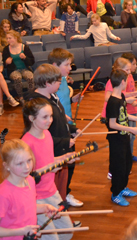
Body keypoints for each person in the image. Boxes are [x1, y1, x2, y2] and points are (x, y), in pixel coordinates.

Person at [25, 64, 82, 205]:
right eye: (58, 81)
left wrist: (72, 128)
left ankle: (62, 204)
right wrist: (64, 141)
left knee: (63, 182)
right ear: (47, 83)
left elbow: (59, 119)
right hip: (53, 151)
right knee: (53, 187)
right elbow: (43, 134)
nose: (60, 83)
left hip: (62, 146)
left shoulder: (52, 96)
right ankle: (57, 211)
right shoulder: (36, 104)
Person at [21, 98, 75, 240]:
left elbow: (50, 161)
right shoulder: (26, 143)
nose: (50, 120)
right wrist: (50, 167)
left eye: (51, 116)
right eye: (45, 117)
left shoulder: (47, 135)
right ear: (31, 118)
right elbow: (27, 176)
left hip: (52, 192)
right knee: (51, 238)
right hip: (36, 198)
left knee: (67, 231)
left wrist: (64, 157)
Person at [0, 139, 58, 239]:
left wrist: (44, 207)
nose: (27, 167)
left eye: (29, 160)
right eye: (19, 163)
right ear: (7, 166)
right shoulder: (3, 193)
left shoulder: (30, 180)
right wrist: (22, 231)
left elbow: (26, 208)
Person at [106, 68, 137, 206]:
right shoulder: (112, 102)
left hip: (124, 137)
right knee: (118, 167)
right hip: (116, 139)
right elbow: (112, 123)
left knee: (127, 164)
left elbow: (122, 116)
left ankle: (123, 187)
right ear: (123, 82)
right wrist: (131, 129)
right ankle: (115, 193)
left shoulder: (121, 97)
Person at [101, 57, 137, 171]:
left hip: (118, 113)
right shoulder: (113, 84)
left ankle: (126, 159)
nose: (129, 73)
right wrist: (125, 100)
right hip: (111, 114)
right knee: (117, 145)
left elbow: (123, 94)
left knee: (124, 141)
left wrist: (134, 94)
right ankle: (114, 170)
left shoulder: (120, 89)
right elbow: (107, 97)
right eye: (127, 70)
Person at [2, 30, 35, 105]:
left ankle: (31, 96)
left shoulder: (24, 47)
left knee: (30, 77)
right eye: (7, 38)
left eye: (10, 38)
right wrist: (6, 63)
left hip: (25, 69)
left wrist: (25, 58)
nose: (8, 40)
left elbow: (32, 62)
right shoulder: (6, 49)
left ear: (16, 38)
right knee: (17, 77)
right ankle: (21, 97)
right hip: (13, 70)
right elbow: (3, 64)